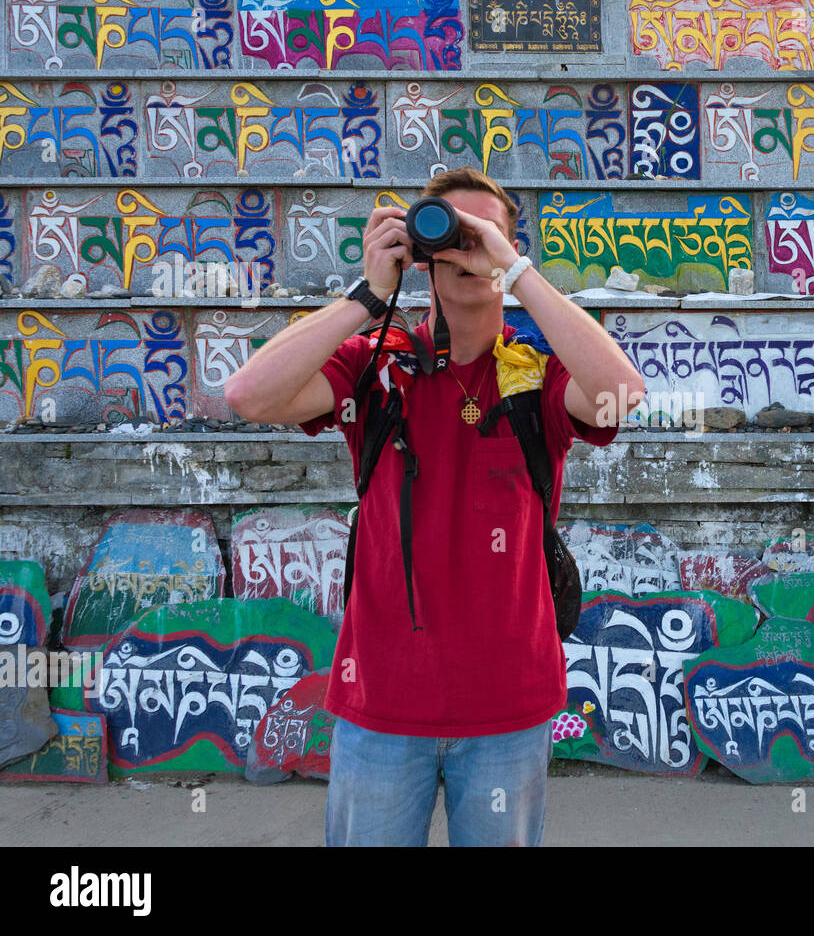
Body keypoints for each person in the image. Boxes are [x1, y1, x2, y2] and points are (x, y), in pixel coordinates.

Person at [223, 166, 644, 845]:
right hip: (382, 704)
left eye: (486, 235)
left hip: (508, 707)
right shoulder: (379, 364)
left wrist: (518, 274)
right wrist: (366, 295)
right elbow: (249, 396)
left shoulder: (535, 374)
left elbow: (621, 393)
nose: (468, 249)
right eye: (453, 233)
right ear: (423, 254)